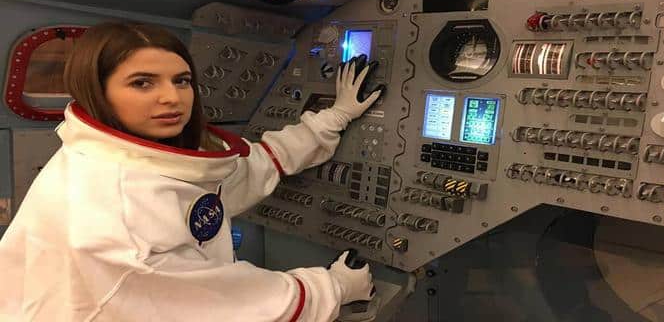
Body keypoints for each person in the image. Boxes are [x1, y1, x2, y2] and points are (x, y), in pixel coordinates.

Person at [0, 22, 383, 321]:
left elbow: (247, 168)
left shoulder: (131, 156)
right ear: (98, 92)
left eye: (181, 80)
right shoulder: (117, 217)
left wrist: (334, 117)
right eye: (142, 83)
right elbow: (225, 304)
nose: (172, 97)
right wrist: (333, 287)